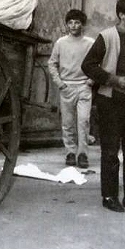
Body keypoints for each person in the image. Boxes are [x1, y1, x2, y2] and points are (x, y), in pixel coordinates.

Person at [81, 0, 125, 213]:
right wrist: (113, 79)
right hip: (110, 102)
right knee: (111, 151)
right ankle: (109, 196)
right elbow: (88, 65)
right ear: (121, 15)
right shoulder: (107, 37)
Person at [48, 9, 94, 168]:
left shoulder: (90, 43)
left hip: (84, 87)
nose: (73, 26)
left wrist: (91, 80)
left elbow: (99, 63)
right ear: (67, 25)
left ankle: (82, 154)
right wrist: (60, 83)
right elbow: (52, 63)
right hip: (67, 87)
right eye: (70, 23)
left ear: (82, 24)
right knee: (67, 122)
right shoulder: (60, 43)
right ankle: (70, 152)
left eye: (77, 22)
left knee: (83, 121)